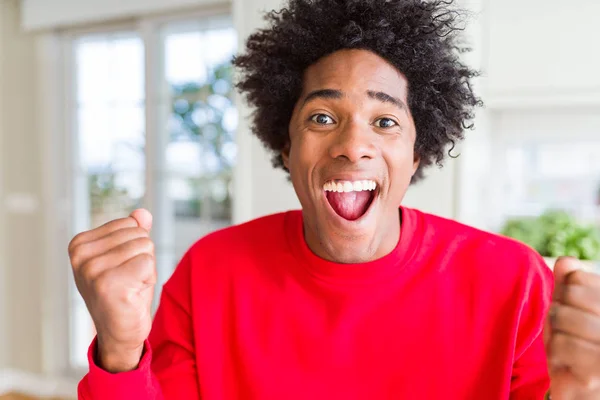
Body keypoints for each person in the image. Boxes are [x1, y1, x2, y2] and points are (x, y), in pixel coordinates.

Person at [68, 0, 600, 398]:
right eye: (322, 118)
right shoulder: (210, 272)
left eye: (386, 121)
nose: (351, 147)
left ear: (417, 153)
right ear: (287, 143)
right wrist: (119, 350)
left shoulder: (514, 281)